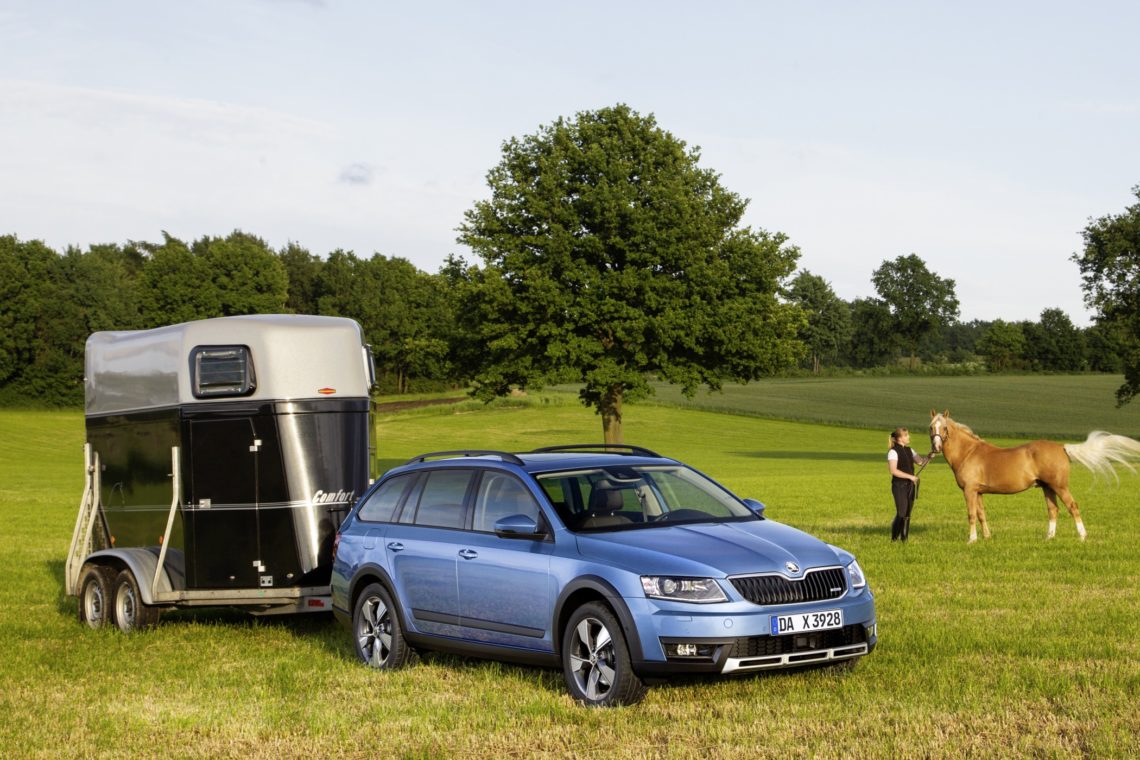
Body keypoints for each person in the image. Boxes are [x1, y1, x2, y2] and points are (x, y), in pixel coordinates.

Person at [887, 427, 933, 541]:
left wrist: (929, 456)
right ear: (899, 438)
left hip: (910, 486)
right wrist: (910, 476)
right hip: (899, 486)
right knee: (901, 513)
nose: (909, 437)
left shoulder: (910, 450)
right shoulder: (893, 452)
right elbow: (893, 471)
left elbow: (921, 462)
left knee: (907, 514)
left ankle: (904, 540)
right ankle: (893, 539)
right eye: (906, 435)